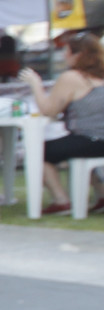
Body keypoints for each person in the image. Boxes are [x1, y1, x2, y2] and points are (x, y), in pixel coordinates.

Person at [22, 34, 104, 213]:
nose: (63, 56)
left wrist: (36, 84)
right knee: (75, 147)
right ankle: (101, 195)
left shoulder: (73, 77)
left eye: (66, 51)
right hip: (97, 138)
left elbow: (49, 110)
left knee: (38, 151)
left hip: (92, 138)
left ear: (77, 55)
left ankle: (61, 200)